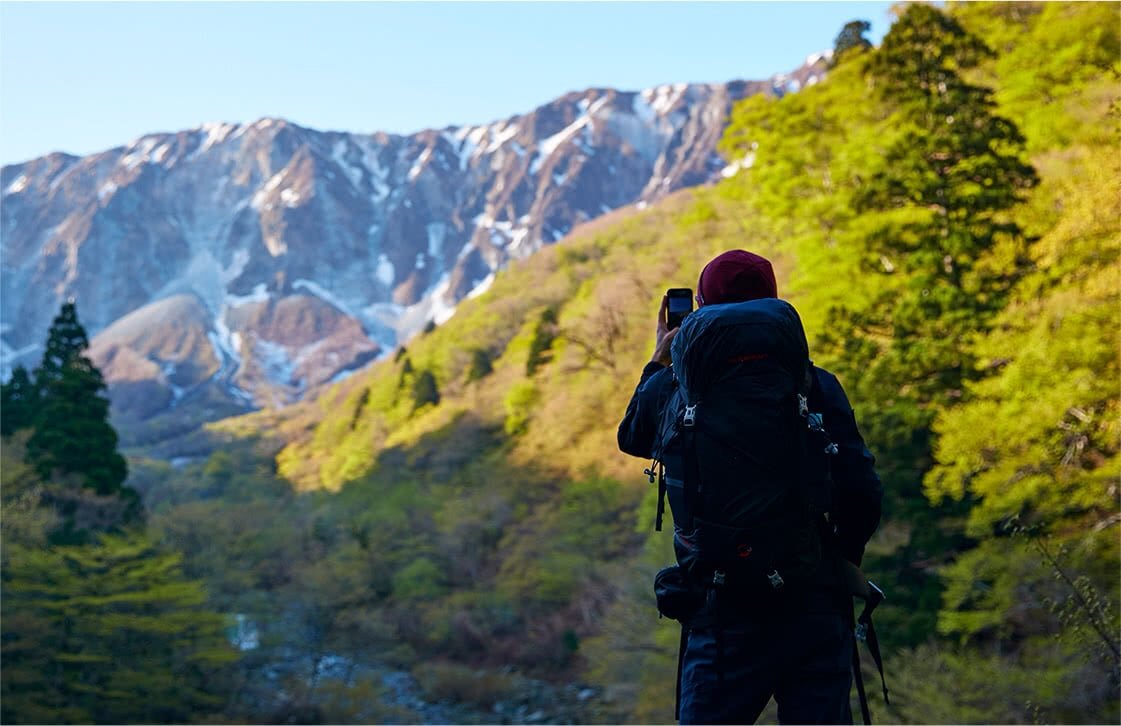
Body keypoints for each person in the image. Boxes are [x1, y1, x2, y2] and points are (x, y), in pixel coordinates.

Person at [618, 249, 883, 725]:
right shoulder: (815, 385)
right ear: (774, 301)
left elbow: (632, 437)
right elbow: (862, 493)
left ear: (699, 305)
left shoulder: (673, 390)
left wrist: (659, 359)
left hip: (721, 612)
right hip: (813, 608)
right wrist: (836, 561)